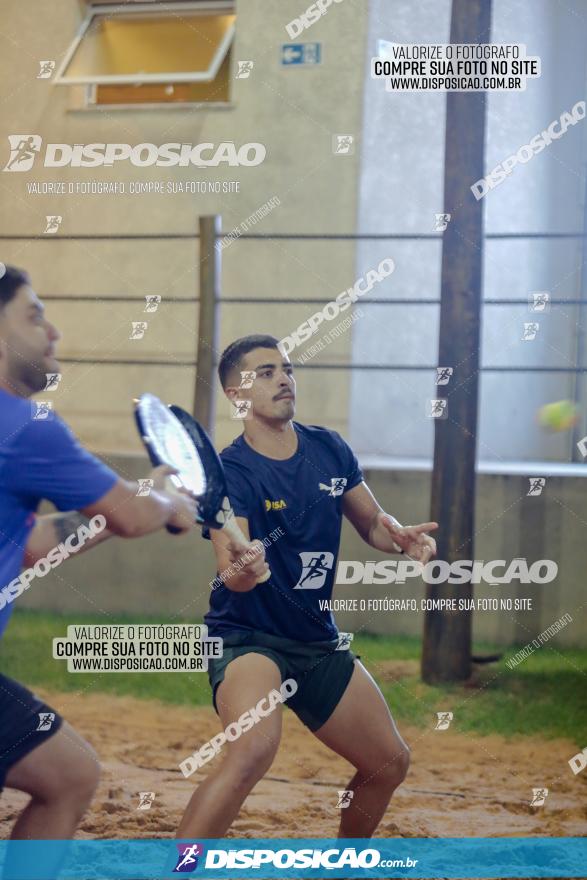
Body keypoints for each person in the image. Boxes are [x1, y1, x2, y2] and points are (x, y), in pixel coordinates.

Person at [177, 334, 438, 839]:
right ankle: (178, 871)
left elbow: (372, 523)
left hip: (316, 640)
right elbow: (231, 572)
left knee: (388, 763)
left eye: (287, 368)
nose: (283, 378)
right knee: (251, 752)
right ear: (236, 395)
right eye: (266, 372)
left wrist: (400, 538)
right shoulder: (232, 472)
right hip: (248, 638)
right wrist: (246, 571)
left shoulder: (329, 450)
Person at [0, 265, 197, 848]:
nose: (53, 331)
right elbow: (135, 517)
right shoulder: (27, 426)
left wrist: (143, 497)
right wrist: (166, 499)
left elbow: (33, 543)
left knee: (65, 772)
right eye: (34, 316)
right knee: (69, 776)